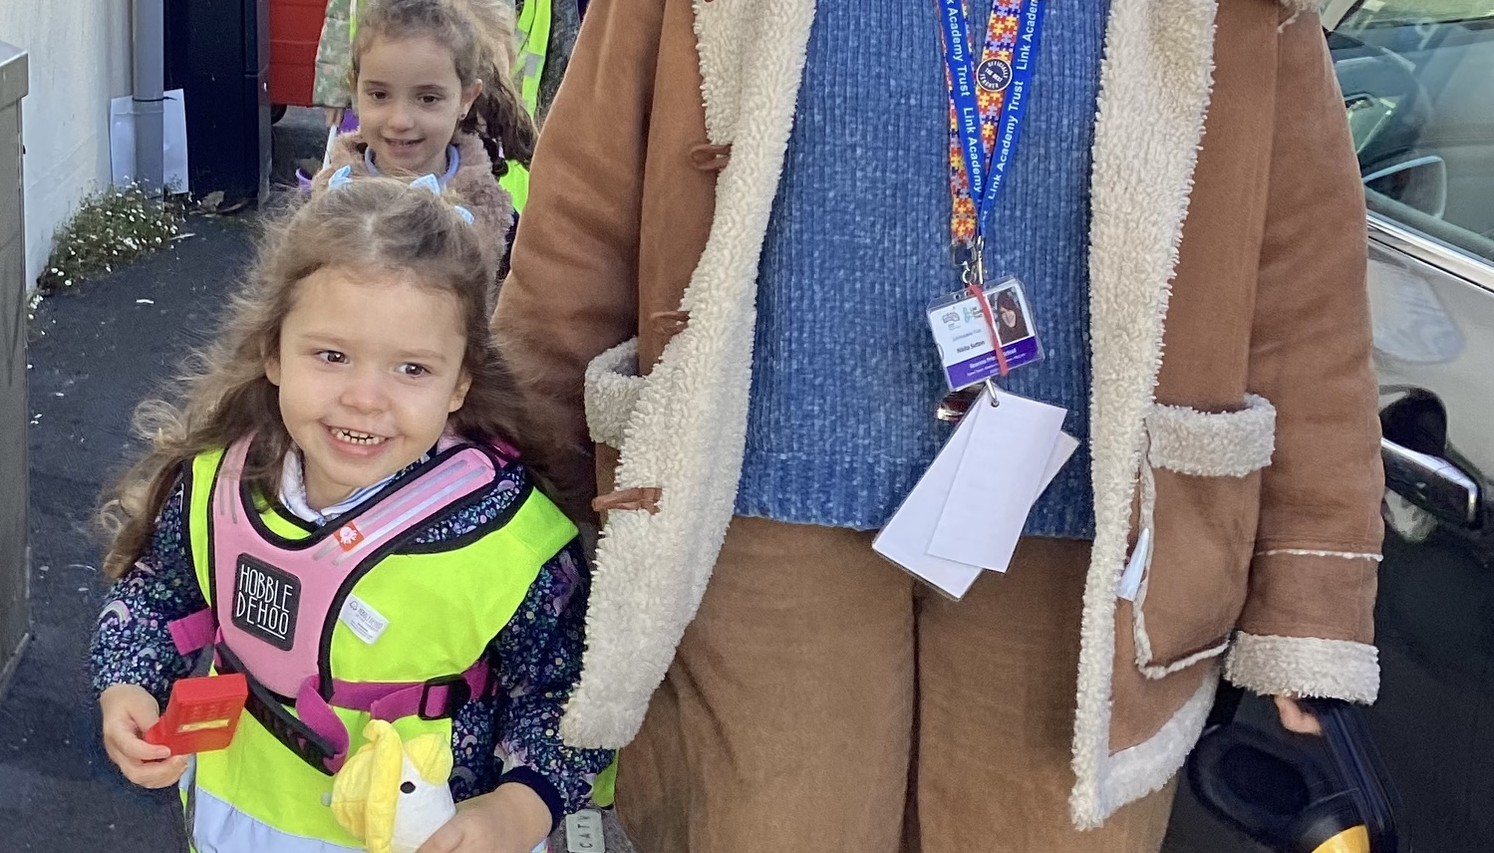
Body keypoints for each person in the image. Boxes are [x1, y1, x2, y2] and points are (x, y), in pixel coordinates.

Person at [496, 0, 1385, 851]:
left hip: (1083, 550)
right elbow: (588, 206)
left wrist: (1311, 601)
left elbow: (1301, 287)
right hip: (756, 516)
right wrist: (515, 495)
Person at [90, 178, 612, 852]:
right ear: (274, 351)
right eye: (331, 356)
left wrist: (517, 810)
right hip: (239, 819)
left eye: (412, 369)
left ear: (461, 380)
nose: (365, 398)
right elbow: (157, 596)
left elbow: (566, 696)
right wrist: (126, 685)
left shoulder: (513, 536)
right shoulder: (220, 484)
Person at [312, 0, 537, 281]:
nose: (400, 121)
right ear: (355, 86)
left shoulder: (491, 218)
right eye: (379, 95)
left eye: (428, 98)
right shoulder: (328, 202)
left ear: (466, 98)